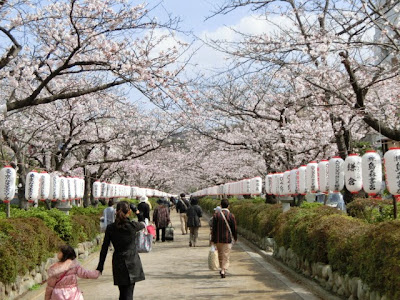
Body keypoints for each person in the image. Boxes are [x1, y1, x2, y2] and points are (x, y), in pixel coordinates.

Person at [97, 201, 145, 300]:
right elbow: (143, 222)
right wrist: (137, 211)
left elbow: (104, 247)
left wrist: (100, 266)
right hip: (132, 261)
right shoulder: (133, 226)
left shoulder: (111, 228)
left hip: (118, 261)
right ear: (129, 212)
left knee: (123, 293)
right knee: (128, 293)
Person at [211, 199, 237, 279]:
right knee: (226, 254)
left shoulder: (216, 215)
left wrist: (212, 239)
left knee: (220, 254)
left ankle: (221, 268)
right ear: (228, 206)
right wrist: (235, 237)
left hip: (218, 238)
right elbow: (234, 228)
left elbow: (213, 229)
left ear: (221, 205)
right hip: (227, 238)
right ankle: (223, 269)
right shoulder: (231, 215)